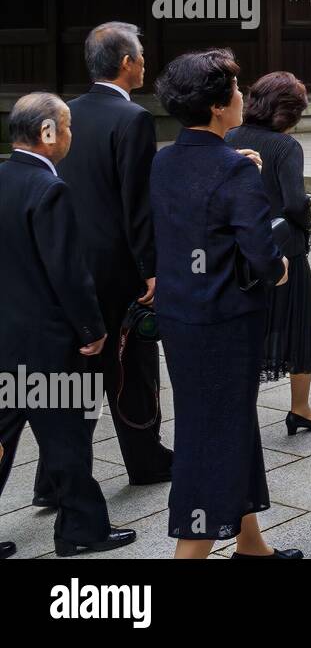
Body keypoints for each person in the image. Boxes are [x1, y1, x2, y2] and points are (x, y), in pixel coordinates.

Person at [151, 52, 297, 559]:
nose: (242, 97)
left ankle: (251, 542)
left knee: (223, 420)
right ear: (217, 107)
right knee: (211, 436)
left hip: (179, 315)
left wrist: (243, 166)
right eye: (235, 91)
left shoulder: (164, 158)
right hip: (226, 322)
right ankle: (189, 554)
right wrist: (279, 269)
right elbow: (261, 254)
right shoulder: (234, 172)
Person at [32, 23, 171, 509]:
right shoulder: (132, 118)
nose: (144, 62)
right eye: (140, 55)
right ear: (126, 63)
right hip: (117, 266)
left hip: (69, 261)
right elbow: (137, 203)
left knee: (78, 372)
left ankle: (51, 478)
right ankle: (145, 457)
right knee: (131, 364)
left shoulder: (63, 112)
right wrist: (151, 268)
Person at [0, 93, 137, 557]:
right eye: (68, 126)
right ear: (47, 133)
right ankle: (81, 529)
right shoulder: (49, 189)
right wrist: (93, 329)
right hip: (49, 342)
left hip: (5, 338)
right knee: (67, 435)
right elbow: (68, 273)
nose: (72, 135)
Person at [227, 73, 311, 436]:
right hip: (284, 247)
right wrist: (304, 229)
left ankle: (241, 408)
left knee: (249, 327)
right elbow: (294, 201)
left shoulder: (230, 137)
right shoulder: (285, 147)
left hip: (243, 251)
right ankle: (300, 407)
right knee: (298, 324)